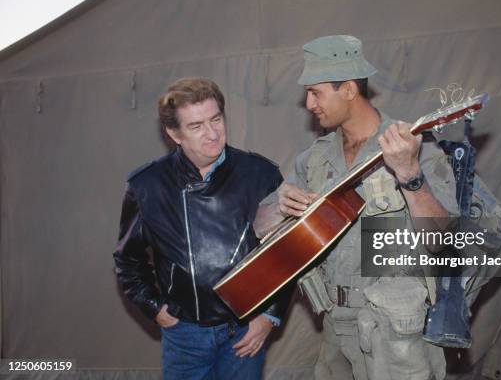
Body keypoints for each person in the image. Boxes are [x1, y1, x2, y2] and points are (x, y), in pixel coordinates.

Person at [254, 35, 462, 380]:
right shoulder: (315, 160)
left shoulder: (413, 147)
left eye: (316, 92)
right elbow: (260, 228)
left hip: (397, 336)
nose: (308, 103)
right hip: (335, 327)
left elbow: (444, 241)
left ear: (349, 89)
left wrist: (410, 176)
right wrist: (281, 204)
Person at [114, 77, 285, 380]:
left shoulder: (260, 173)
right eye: (196, 126)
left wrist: (269, 315)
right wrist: (158, 311)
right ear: (173, 133)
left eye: (216, 119)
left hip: (244, 329)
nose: (211, 134)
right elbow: (129, 261)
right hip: (185, 335)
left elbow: (286, 251)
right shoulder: (147, 185)